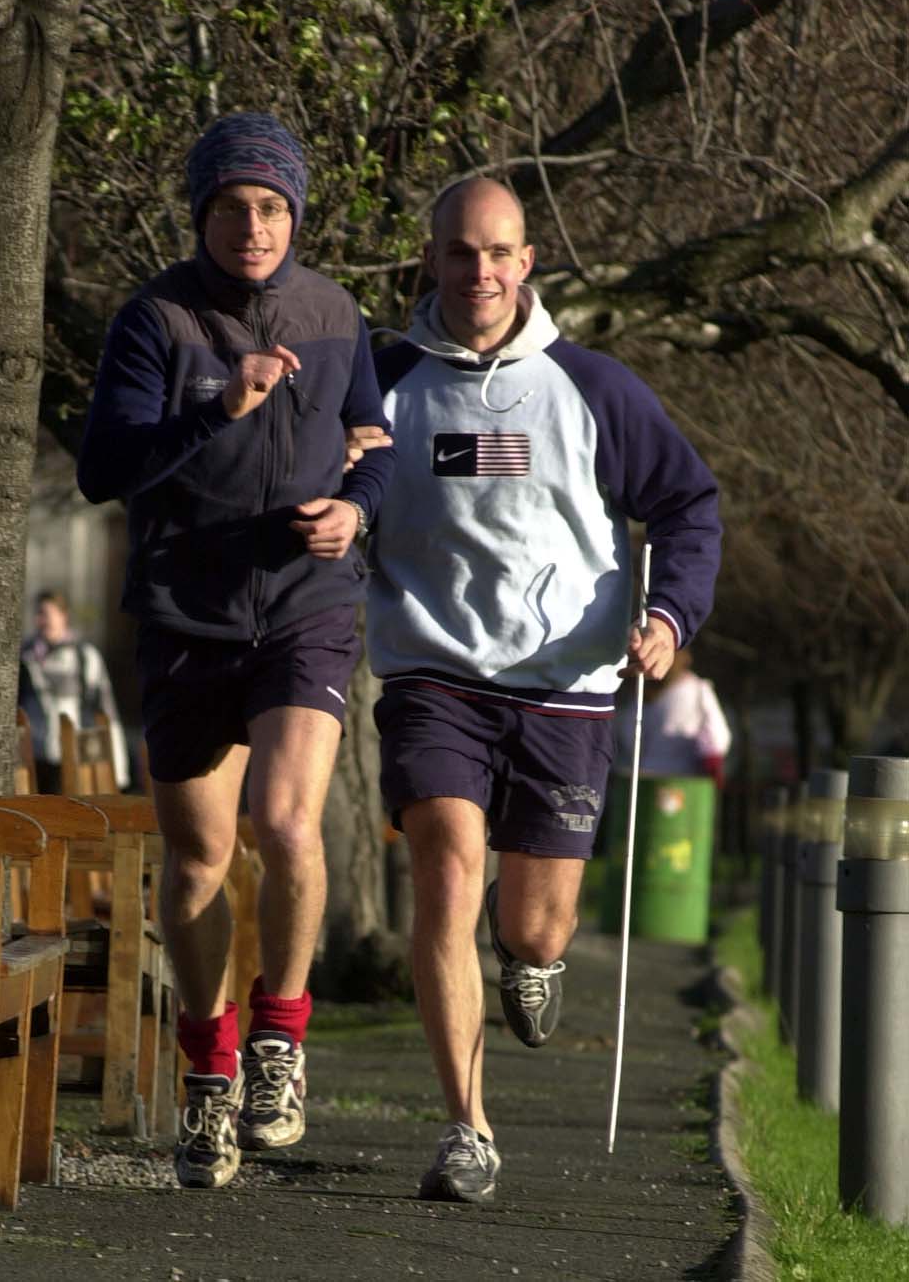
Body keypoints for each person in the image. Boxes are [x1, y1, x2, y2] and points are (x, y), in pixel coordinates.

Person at [365, 177, 722, 1203]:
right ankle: (466, 1126)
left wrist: (667, 619)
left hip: (565, 683)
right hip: (435, 671)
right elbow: (326, 482)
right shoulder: (382, 383)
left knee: (535, 923)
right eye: (460, 252)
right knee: (446, 862)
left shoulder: (594, 387)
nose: (480, 271)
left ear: (527, 263)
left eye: (499, 252)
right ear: (428, 260)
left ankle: (532, 959)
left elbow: (688, 503)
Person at [76, 112, 395, 1190]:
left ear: (295, 215)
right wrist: (221, 400)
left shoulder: (336, 311)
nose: (253, 226)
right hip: (184, 609)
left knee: (286, 819)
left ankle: (278, 1044)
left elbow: (378, 444)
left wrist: (355, 508)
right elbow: (105, 467)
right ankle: (207, 1078)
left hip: (306, 599)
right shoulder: (154, 319)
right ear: (203, 215)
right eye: (232, 208)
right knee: (204, 859)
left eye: (271, 207)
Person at [18, 589, 131, 792]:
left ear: (64, 615)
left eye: (46, 613)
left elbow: (105, 715)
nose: (40, 621)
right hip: (32, 760)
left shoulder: (84, 657)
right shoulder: (24, 656)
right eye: (37, 614)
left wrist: (118, 771)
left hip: (72, 758)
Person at [614, 646, 732, 788]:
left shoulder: (696, 690)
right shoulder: (697, 690)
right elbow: (718, 734)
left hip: (666, 778)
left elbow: (630, 737)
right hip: (666, 778)